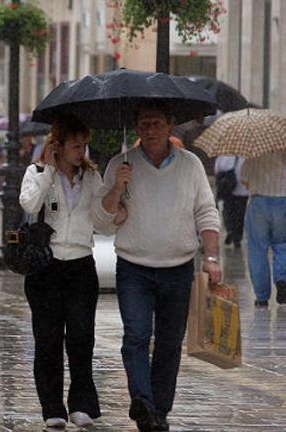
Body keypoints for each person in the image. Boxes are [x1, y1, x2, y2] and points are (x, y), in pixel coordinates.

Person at [93, 100, 221, 432]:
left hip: (178, 267)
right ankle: (142, 401)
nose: (150, 130)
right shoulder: (120, 164)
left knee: (168, 341)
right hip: (133, 267)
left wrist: (211, 258)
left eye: (156, 124)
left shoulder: (190, 165)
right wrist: (118, 187)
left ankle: (159, 410)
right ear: (136, 128)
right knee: (136, 334)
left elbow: (206, 212)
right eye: (144, 124)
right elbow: (104, 221)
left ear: (169, 126)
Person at [19, 115, 114, 430]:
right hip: (47, 266)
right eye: (76, 145)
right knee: (47, 339)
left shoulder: (91, 176)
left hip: (81, 265)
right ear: (57, 146)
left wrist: (119, 192)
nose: (81, 151)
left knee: (81, 336)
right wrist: (47, 172)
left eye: (84, 145)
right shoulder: (36, 172)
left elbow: (101, 219)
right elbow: (30, 205)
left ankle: (82, 404)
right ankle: (52, 407)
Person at [239, 151, 286, 306]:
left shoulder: (253, 154)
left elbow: (244, 179)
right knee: (283, 245)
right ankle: (282, 279)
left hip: (258, 202)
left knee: (257, 249)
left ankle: (261, 296)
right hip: (283, 201)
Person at [214, 156, 248, 249]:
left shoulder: (223, 156)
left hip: (227, 189)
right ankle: (237, 238)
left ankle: (229, 230)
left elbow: (217, 170)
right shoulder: (246, 158)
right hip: (243, 190)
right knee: (240, 215)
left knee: (228, 211)